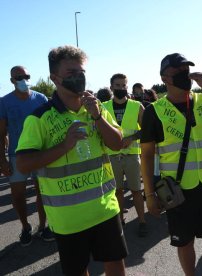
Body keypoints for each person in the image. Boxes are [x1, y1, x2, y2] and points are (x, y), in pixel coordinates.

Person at [15, 45, 128, 275]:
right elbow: (23, 164)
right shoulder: (39, 119)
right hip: (68, 219)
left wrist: (97, 116)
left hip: (105, 209)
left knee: (115, 264)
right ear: (54, 78)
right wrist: (64, 146)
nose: (79, 77)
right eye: (71, 73)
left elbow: (117, 143)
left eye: (82, 71)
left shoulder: (96, 109)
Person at [140, 53, 202, 276]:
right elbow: (146, 156)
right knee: (184, 242)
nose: (185, 74)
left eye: (187, 69)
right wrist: (149, 194)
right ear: (165, 78)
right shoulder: (154, 111)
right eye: (178, 71)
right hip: (177, 190)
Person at [0, 66, 53, 246]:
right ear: (12, 80)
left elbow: (49, 126)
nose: (23, 79)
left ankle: (43, 226)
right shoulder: (4, 102)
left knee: (43, 192)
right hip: (16, 155)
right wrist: (2, 160)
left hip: (40, 153)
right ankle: (25, 227)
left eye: (26, 76)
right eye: (18, 77)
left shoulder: (41, 98)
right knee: (18, 196)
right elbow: (1, 134)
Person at [102, 73, 147, 236]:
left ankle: (142, 221)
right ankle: (120, 220)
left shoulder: (137, 106)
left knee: (136, 190)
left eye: (124, 85)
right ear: (111, 86)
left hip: (132, 156)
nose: (121, 88)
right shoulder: (103, 106)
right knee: (117, 191)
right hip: (112, 156)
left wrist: (132, 138)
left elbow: (147, 130)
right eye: (118, 85)